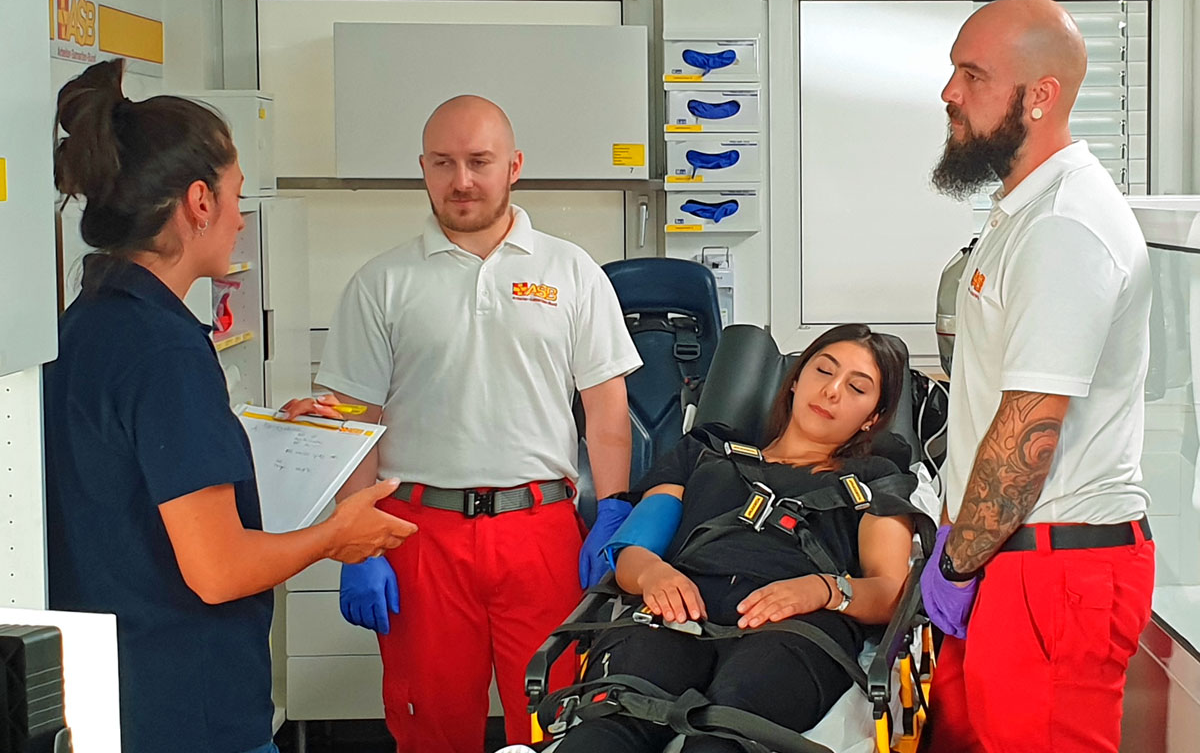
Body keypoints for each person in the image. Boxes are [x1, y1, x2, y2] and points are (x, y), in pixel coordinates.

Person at [43, 59, 417, 753]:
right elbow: (217, 571)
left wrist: (263, 438)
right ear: (198, 202)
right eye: (236, 197)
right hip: (184, 706)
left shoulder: (89, 321)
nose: (242, 220)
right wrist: (335, 537)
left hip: (107, 693)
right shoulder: (164, 353)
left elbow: (133, 481)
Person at [282, 95, 642, 751]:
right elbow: (357, 418)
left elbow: (606, 407)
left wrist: (614, 508)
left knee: (555, 722)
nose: (462, 180)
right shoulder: (381, 282)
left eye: (479, 162)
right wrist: (354, 538)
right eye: (444, 163)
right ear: (422, 168)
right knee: (431, 727)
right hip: (419, 536)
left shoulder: (572, 272)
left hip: (541, 532)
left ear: (514, 167)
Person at [921, 0, 1154, 753]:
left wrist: (956, 561)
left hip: (1055, 572)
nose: (949, 93)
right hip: (1004, 553)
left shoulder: (1063, 227)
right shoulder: (1020, 214)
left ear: (1040, 96)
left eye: (972, 75)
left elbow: (1032, 427)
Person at [551, 324, 930, 753]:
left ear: (874, 418)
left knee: (728, 736)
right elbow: (634, 549)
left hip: (795, 628)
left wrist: (823, 590)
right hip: (674, 613)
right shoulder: (704, 451)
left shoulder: (877, 480)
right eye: (823, 371)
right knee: (607, 729)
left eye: (856, 388)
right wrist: (653, 575)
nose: (832, 392)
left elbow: (889, 592)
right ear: (797, 379)